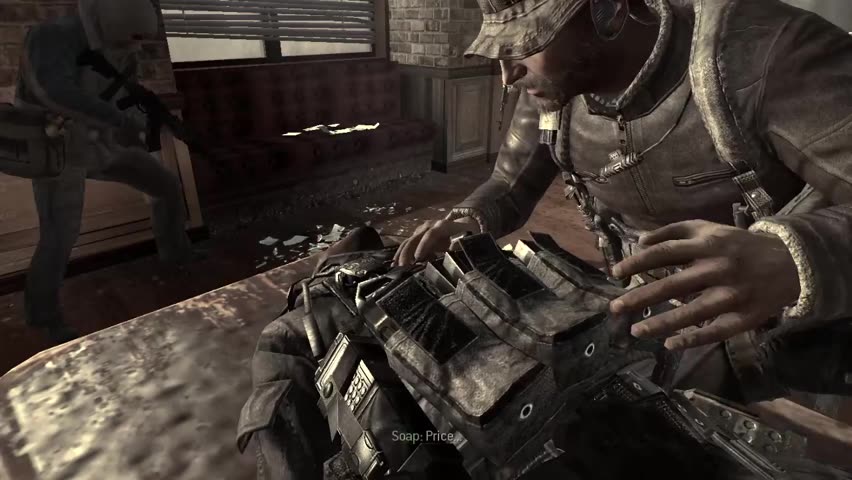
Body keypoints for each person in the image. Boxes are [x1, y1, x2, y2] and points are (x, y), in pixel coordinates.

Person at [394, 0, 852, 408]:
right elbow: (509, 182)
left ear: (608, 9)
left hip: (794, 335)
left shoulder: (765, 52)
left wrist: (795, 257)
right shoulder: (556, 86)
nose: (508, 75)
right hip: (645, 320)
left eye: (528, 45)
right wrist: (469, 219)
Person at [15, 0, 197, 343]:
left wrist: (142, 121)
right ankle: (42, 316)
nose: (133, 47)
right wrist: (119, 121)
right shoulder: (51, 37)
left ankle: (177, 256)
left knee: (165, 185)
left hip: (103, 145)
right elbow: (54, 92)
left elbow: (122, 95)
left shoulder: (120, 47)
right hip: (58, 150)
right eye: (128, 39)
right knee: (59, 233)